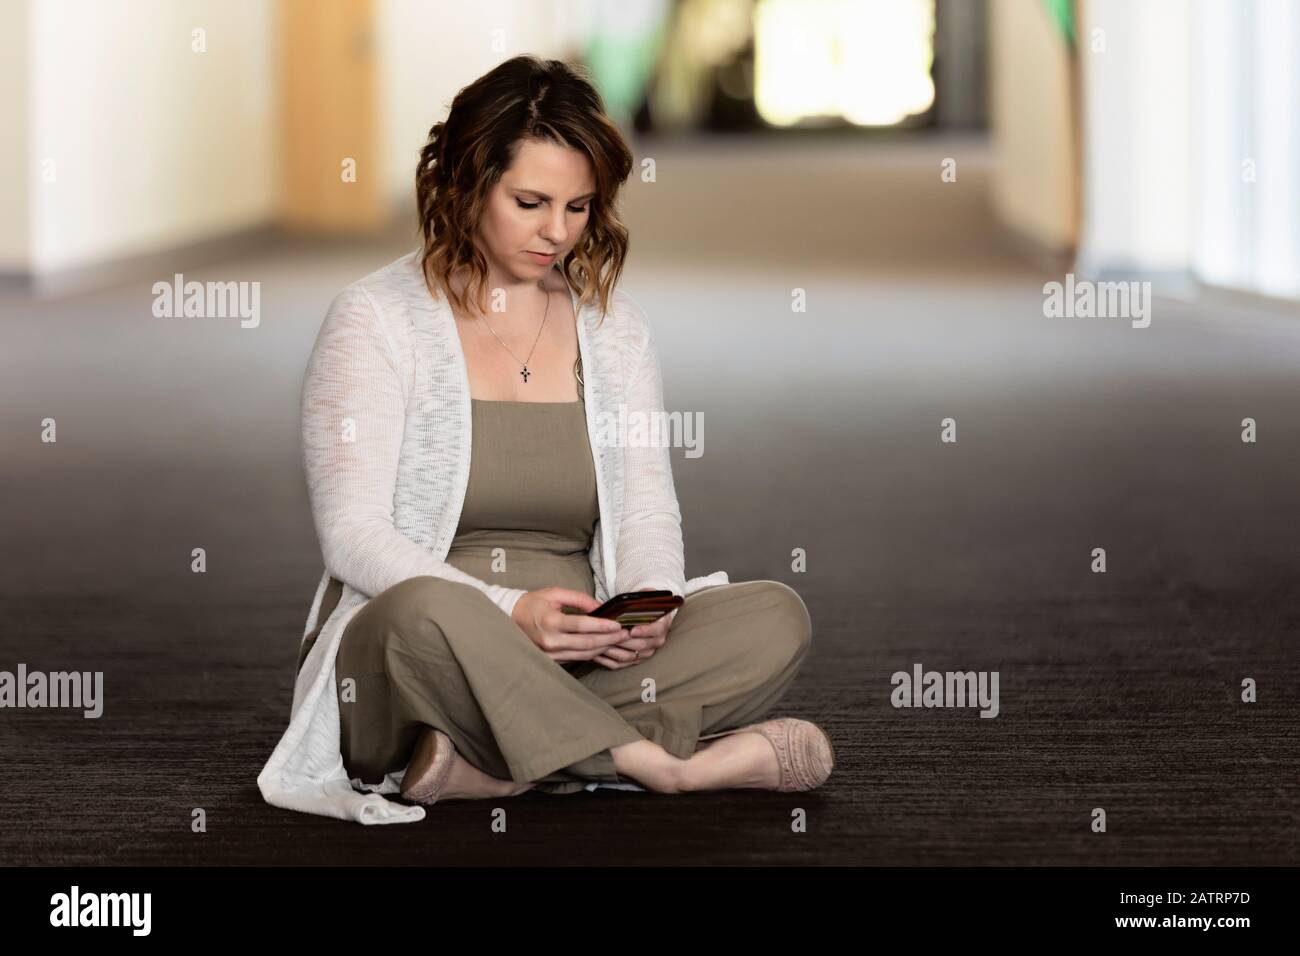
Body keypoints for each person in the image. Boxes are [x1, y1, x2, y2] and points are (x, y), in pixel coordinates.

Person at [295, 55, 834, 810]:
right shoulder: (375, 320)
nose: (557, 232)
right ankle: (658, 764)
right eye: (530, 201)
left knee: (775, 617)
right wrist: (508, 610)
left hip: (585, 647)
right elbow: (353, 533)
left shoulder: (613, 331)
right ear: (467, 184)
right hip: (426, 645)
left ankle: (494, 766)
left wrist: (648, 604)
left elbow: (646, 506)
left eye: (579, 207)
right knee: (424, 611)